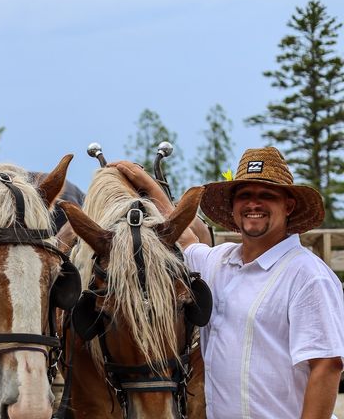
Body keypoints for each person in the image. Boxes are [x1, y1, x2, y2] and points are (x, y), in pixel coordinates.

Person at [114, 147, 344, 419]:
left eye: (266, 196)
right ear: (234, 207)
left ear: (288, 206)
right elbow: (183, 238)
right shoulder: (218, 262)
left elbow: (326, 365)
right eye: (245, 195)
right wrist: (146, 183)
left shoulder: (307, 274)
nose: (253, 204)